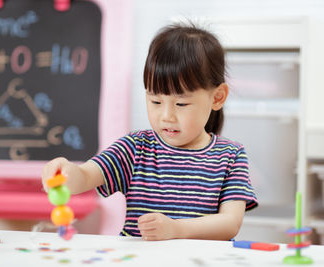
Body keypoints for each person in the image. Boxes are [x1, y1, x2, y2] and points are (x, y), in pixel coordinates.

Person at [42, 21, 258, 241]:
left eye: (181, 104)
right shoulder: (135, 148)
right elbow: (86, 176)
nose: (166, 116)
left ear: (217, 97)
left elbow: (230, 223)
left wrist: (176, 229)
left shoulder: (231, 155)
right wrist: (65, 173)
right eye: (155, 101)